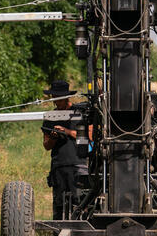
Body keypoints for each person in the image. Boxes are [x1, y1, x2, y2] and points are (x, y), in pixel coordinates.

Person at [42, 80, 88, 220]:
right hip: (58, 165)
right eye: (54, 98)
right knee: (59, 204)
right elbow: (46, 145)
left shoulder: (80, 113)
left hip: (78, 164)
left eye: (59, 99)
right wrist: (54, 137)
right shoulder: (50, 117)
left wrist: (67, 131)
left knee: (80, 203)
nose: (56, 102)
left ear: (66, 97)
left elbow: (87, 138)